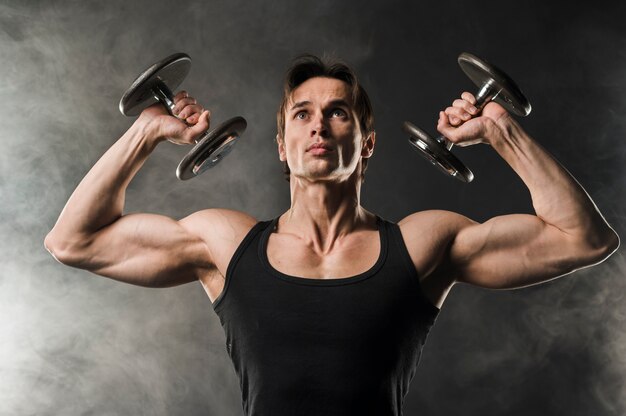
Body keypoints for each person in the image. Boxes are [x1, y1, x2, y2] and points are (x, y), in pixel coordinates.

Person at [45, 54, 619, 415]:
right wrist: (146, 132)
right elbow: (73, 240)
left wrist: (499, 132)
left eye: (338, 112)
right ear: (281, 146)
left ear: (366, 143)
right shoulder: (225, 244)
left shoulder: (421, 246)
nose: (319, 123)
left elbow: (583, 239)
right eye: (302, 114)